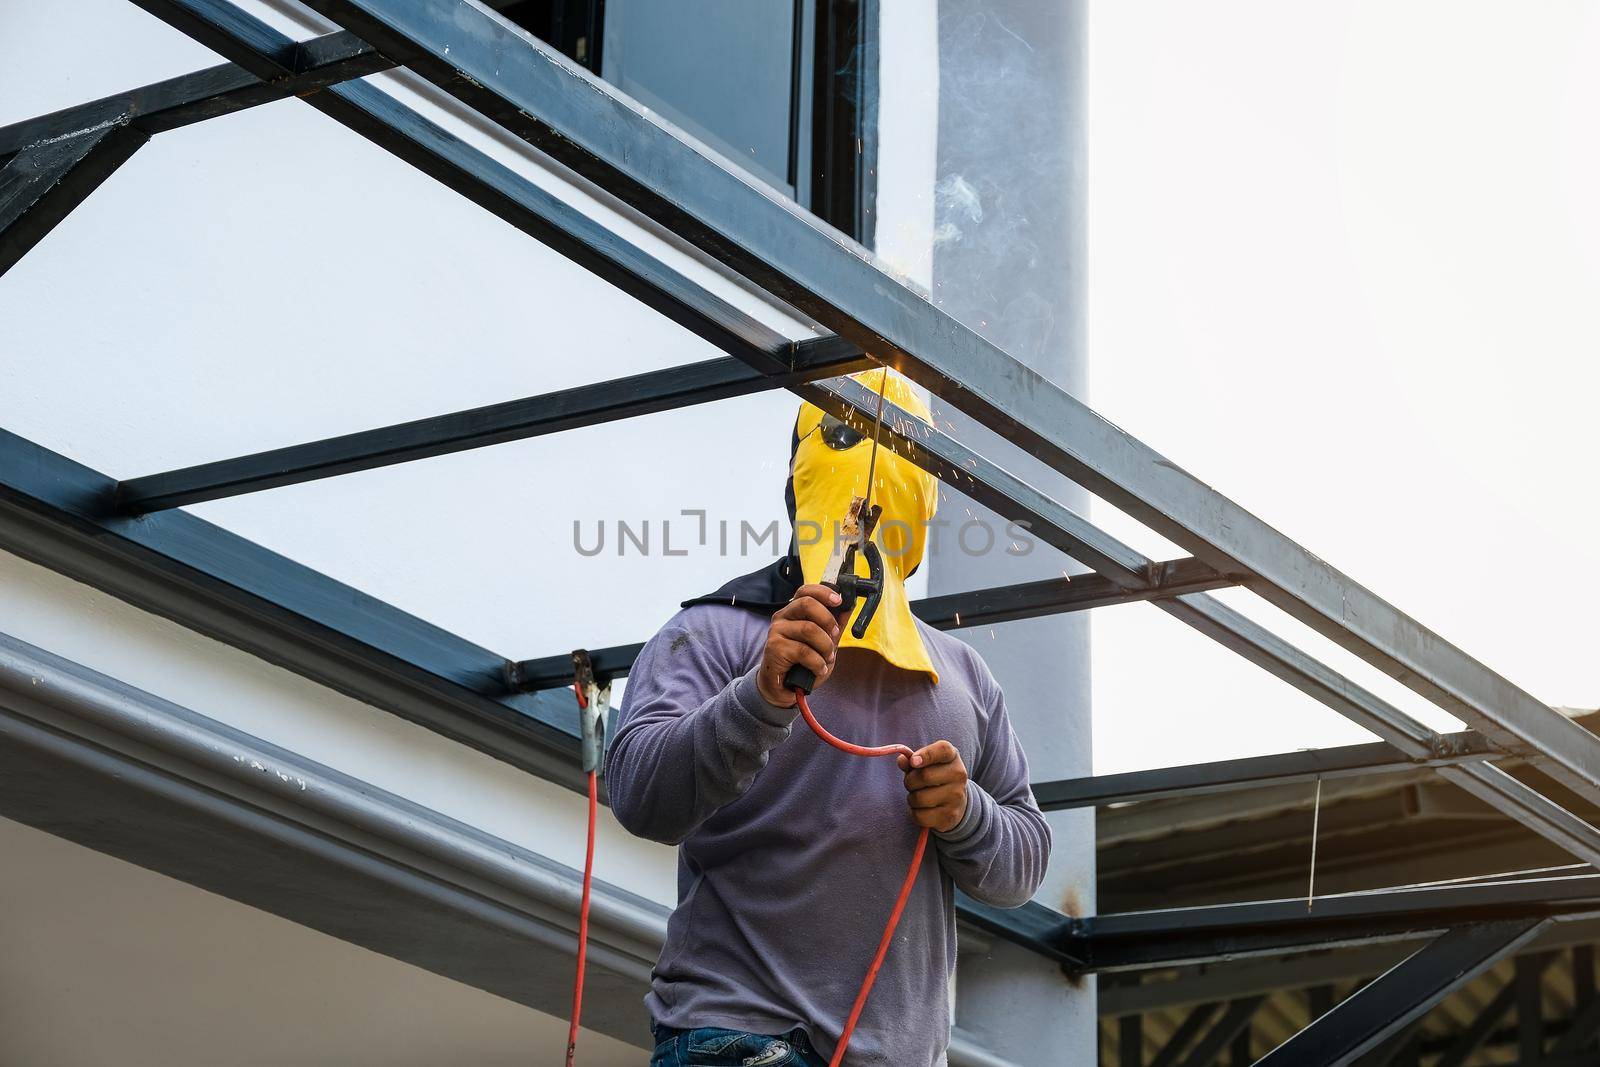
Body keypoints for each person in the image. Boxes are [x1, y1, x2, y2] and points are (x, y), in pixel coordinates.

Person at [607, 370, 1050, 1067]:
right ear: (797, 474)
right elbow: (637, 791)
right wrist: (758, 697)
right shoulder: (717, 630)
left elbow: (1026, 858)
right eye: (844, 436)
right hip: (738, 1036)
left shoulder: (965, 676)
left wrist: (965, 811)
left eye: (904, 452)